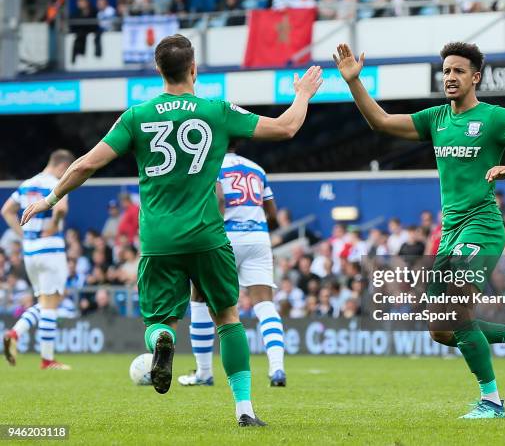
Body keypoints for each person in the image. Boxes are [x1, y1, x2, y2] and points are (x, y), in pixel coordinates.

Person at [20, 34, 322, 427]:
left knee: (159, 322)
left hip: (159, 239)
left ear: (158, 71)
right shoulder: (217, 110)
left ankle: (162, 342)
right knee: (227, 317)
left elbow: (85, 165)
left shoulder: (137, 115)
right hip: (208, 236)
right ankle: (245, 410)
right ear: (194, 69)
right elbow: (285, 128)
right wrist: (302, 94)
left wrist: (49, 198)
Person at [334, 41, 505, 419]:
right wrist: (355, 82)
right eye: (446, 71)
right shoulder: (436, 118)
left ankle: (492, 401)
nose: (450, 77)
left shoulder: (495, 118)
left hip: (482, 228)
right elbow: (381, 122)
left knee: (456, 304)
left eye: (458, 71)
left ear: (476, 77)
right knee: (440, 328)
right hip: (450, 232)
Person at [179, 141, 288, 388]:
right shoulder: (257, 169)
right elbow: (272, 214)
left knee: (199, 297)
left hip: (225, 236)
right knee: (264, 303)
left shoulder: (211, 165)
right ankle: (277, 369)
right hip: (258, 238)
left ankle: (204, 373)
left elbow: (218, 200)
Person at [2, 149, 75, 369]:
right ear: (63, 167)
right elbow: (61, 207)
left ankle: (15, 333)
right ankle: (47, 359)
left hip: (30, 250)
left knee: (44, 301)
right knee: (53, 301)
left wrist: (22, 233)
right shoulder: (57, 182)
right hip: (50, 249)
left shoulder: (27, 184)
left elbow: (6, 210)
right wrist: (53, 225)